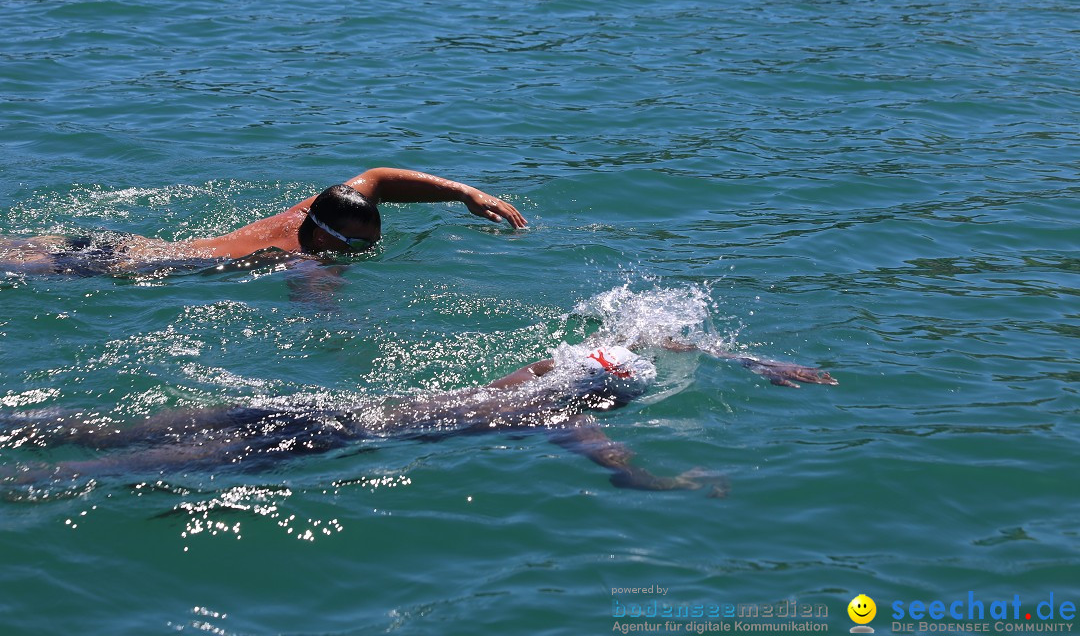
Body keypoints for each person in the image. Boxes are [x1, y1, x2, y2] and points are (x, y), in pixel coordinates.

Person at [0, 340, 836, 492]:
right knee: (124, 468)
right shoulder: (554, 415)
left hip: (323, 407)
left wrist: (750, 359)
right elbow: (614, 464)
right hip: (331, 436)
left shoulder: (534, 373)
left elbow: (641, 334)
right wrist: (671, 480)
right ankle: (35, 482)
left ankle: (31, 432)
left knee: (113, 428)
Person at [0, 168, 527, 276]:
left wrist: (468, 194)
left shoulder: (309, 211)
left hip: (121, 243)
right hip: (133, 267)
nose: (356, 253)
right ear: (322, 234)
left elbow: (379, 177)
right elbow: (314, 298)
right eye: (351, 246)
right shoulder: (302, 256)